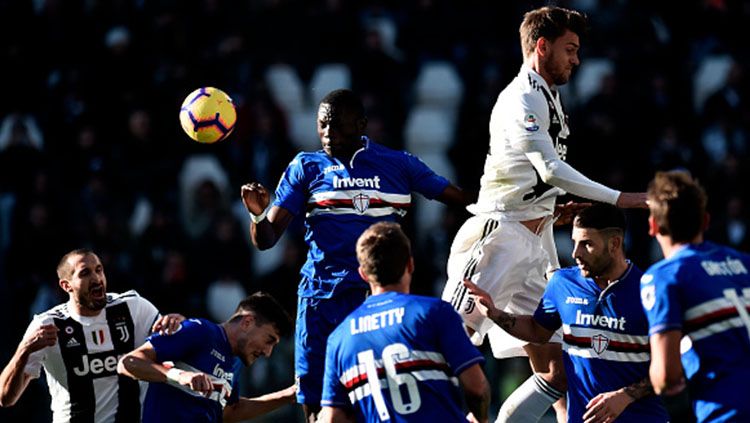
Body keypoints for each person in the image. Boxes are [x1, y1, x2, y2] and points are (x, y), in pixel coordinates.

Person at [440, 6, 648, 422]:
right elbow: (549, 168)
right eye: (569, 49)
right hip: (497, 236)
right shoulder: (520, 98)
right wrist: (621, 199)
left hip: (535, 242)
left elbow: (535, 176)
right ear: (541, 46)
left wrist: (550, 208)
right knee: (444, 356)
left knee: (558, 367)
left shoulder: (548, 96)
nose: (576, 59)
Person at [240, 88, 473, 421]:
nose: (328, 134)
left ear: (362, 124)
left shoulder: (399, 164)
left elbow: (459, 198)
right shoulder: (306, 167)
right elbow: (266, 239)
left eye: (338, 126)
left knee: (375, 395)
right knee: (315, 397)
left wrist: (519, 202)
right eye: (322, 126)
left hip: (373, 299)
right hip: (319, 298)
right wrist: (258, 215)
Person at [465, 204, 668, 423]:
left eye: (587, 244)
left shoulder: (650, 290)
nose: (575, 253)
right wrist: (495, 313)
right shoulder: (563, 283)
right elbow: (538, 330)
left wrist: (625, 396)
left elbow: (672, 365)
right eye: (574, 243)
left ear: (614, 244)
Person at [319, 222, 490, 422]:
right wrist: (480, 419)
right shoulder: (434, 313)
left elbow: (332, 417)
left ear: (363, 274)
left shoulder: (339, 338)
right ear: (410, 265)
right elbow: (477, 388)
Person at [0, 248, 184, 422]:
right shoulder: (48, 325)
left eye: (99, 270)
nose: (96, 279)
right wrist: (24, 350)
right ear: (66, 285)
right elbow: (5, 398)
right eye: (85, 273)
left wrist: (178, 322)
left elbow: (178, 341)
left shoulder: (133, 308)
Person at [640, 170, 750, 422]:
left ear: (653, 224)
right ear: (706, 220)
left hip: (729, 412)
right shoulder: (744, 262)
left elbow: (665, 378)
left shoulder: (664, 277)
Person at [117, 292, 295, 423]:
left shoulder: (235, 362)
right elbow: (128, 363)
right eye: (269, 340)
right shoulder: (199, 331)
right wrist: (179, 375)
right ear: (247, 322)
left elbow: (230, 412)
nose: (267, 352)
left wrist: (289, 395)